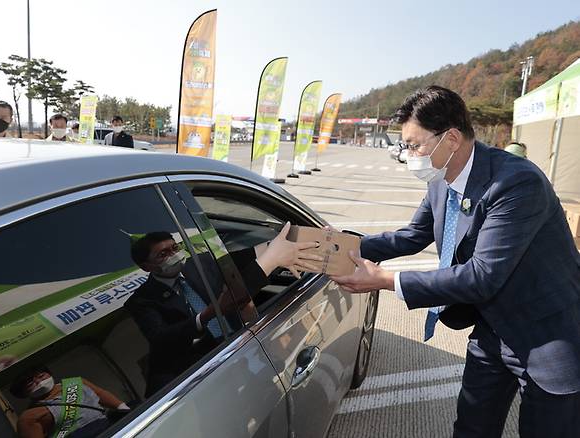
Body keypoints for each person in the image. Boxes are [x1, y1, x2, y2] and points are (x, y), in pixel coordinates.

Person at [330, 86, 580, 437]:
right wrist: (342, 245)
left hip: (546, 333)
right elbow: (412, 236)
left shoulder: (516, 182)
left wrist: (387, 280)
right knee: (471, 428)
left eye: (415, 145)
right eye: (405, 146)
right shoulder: (440, 180)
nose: (409, 155)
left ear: (451, 138)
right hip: (493, 329)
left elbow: (481, 276)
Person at [124, 223, 317, 397]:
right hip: (202, 377)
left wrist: (278, 246)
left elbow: (241, 259)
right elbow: (162, 338)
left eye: (175, 248)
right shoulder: (141, 301)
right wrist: (207, 315)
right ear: (146, 266)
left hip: (242, 348)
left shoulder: (199, 264)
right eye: (163, 254)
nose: (173, 255)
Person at [10, 366, 130, 438]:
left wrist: (123, 407)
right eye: (30, 383)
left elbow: (101, 394)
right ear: (23, 393)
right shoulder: (29, 416)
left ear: (50, 374)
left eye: (41, 376)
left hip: (110, 425)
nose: (38, 382)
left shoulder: (77, 382)